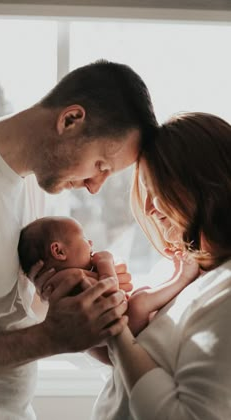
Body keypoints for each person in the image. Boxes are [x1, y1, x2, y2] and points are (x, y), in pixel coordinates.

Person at [0, 59, 158, 419]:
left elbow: (15, 317)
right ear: (70, 120)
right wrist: (50, 338)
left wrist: (78, 311)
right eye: (101, 165)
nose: (95, 187)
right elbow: (40, 335)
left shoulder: (34, 188)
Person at [91, 112, 231, 420]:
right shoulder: (179, 270)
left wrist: (117, 329)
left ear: (204, 182)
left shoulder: (225, 292)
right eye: (146, 188)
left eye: (159, 186)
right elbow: (122, 368)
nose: (150, 207)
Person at [18, 216, 199, 332]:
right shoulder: (67, 279)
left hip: (112, 333)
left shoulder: (59, 281)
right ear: (59, 251)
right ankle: (181, 279)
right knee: (140, 301)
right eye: (82, 238)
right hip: (117, 334)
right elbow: (112, 293)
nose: (90, 242)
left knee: (142, 292)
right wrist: (105, 262)